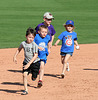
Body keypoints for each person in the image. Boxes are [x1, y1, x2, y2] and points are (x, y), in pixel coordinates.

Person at [13, 28, 40, 95]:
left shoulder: (34, 45)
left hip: (35, 62)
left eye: (32, 37)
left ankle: (35, 75)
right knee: (24, 75)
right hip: (26, 62)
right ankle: (26, 90)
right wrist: (15, 56)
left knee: (34, 77)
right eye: (29, 37)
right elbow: (19, 49)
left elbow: (35, 56)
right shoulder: (23, 43)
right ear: (26, 36)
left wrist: (29, 64)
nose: (31, 39)